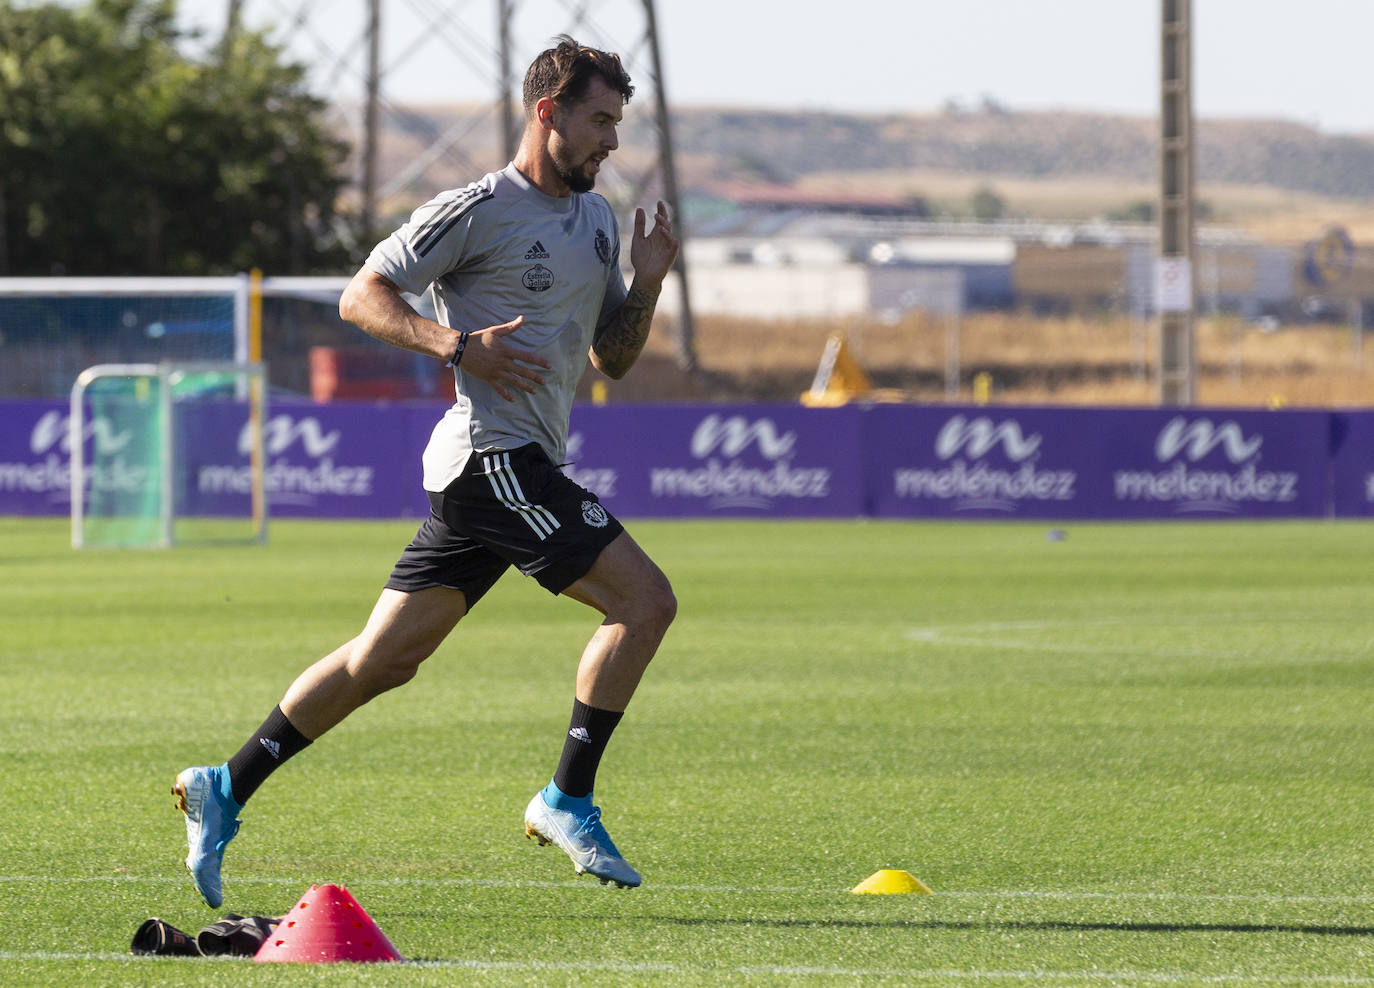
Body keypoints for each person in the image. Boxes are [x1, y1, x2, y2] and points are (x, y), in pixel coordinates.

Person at [172, 35, 679, 908]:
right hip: (494, 461)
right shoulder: (475, 209)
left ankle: (226, 782)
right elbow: (362, 295)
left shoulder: (597, 222)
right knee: (645, 602)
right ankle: (568, 796)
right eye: (600, 121)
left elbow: (613, 358)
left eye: (619, 124)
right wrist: (456, 347)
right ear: (547, 113)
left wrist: (648, 282)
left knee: (382, 661)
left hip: (511, 466)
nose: (613, 142)